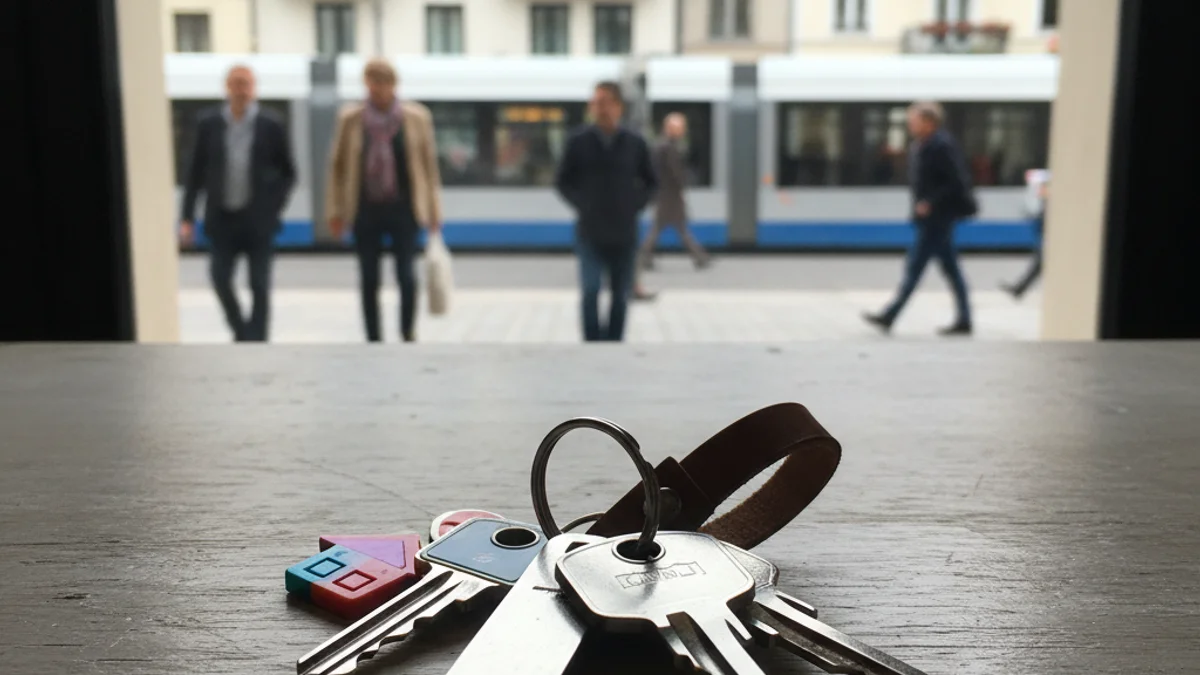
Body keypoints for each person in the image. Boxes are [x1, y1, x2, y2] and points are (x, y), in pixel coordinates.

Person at [325, 59, 444, 343]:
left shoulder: (416, 117)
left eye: (383, 82)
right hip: (366, 209)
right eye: (372, 82)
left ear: (393, 85)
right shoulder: (350, 119)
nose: (378, 89)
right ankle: (373, 336)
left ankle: (407, 331)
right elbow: (337, 167)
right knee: (368, 278)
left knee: (406, 274)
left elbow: (428, 167)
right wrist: (335, 211)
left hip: (404, 208)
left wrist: (434, 211)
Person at [180, 65, 296, 342]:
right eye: (236, 84)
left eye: (245, 84)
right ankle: (241, 331)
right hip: (222, 219)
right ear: (227, 87)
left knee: (259, 284)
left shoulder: (272, 124)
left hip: (258, 221)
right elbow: (194, 173)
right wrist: (186, 218)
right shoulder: (208, 124)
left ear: (254, 88)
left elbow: (288, 172)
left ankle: (259, 339)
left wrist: (273, 206)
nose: (241, 90)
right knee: (220, 278)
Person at [555, 82, 658, 342]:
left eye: (605, 102)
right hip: (590, 230)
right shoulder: (578, 141)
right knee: (590, 290)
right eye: (596, 103)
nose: (600, 108)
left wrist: (635, 205)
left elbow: (651, 182)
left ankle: (614, 344)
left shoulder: (635, 143)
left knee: (620, 296)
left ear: (618, 107)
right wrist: (581, 203)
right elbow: (562, 181)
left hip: (624, 232)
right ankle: (592, 343)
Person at [864, 101, 976, 336]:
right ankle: (964, 319)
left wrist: (930, 202)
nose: (910, 124)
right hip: (931, 218)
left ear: (929, 122)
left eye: (913, 120)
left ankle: (890, 315)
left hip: (938, 218)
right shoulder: (923, 145)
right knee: (950, 270)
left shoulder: (942, 145)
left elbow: (955, 181)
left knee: (916, 268)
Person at [638, 113, 711, 271]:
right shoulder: (668, 147)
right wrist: (684, 183)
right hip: (670, 195)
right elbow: (675, 172)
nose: (683, 130)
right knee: (673, 228)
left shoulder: (662, 145)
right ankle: (699, 257)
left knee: (667, 228)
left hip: (665, 194)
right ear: (671, 128)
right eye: (680, 127)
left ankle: (699, 257)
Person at [1002, 179, 1049, 300]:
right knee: (1037, 266)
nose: (1040, 191)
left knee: (1038, 265)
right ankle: (1019, 289)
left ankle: (1019, 289)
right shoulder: (1046, 202)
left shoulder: (1050, 202)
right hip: (1046, 239)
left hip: (1049, 240)